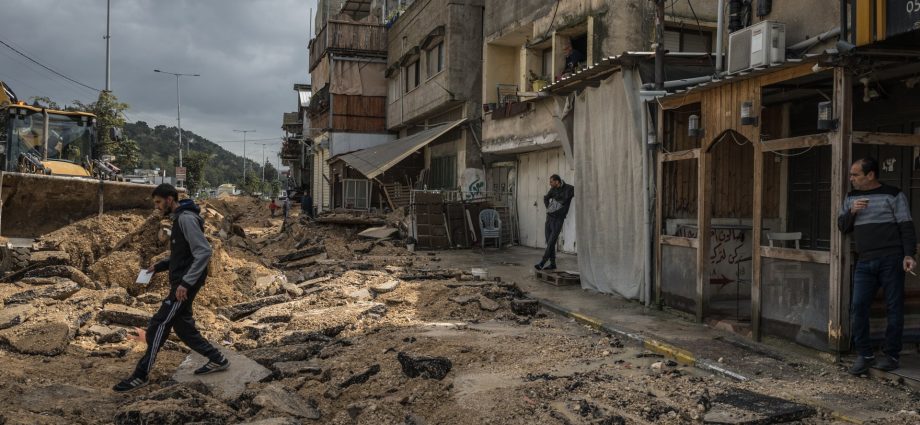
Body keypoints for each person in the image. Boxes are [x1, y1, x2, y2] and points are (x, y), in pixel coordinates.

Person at [113, 184, 229, 392]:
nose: (157, 207)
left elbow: (203, 251)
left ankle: (140, 375)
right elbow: (182, 255)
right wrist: (159, 266)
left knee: (159, 324)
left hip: (185, 284)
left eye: (158, 202)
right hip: (182, 281)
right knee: (183, 328)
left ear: (169, 199)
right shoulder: (180, 218)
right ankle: (217, 359)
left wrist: (185, 283)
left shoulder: (185, 219)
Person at [837, 157, 916, 375]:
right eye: (851, 174)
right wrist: (851, 212)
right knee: (858, 306)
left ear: (870, 175)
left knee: (894, 307)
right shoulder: (851, 197)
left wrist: (909, 254)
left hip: (892, 258)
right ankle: (865, 355)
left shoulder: (893, 194)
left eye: (855, 175)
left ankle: (891, 356)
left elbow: (906, 226)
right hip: (864, 260)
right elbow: (842, 227)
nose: (851, 179)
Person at [535, 174, 575, 271]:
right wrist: (549, 208)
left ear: (557, 181)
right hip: (549, 218)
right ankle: (552, 264)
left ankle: (542, 262)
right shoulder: (553, 189)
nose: (550, 183)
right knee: (550, 242)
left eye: (551, 181)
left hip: (558, 219)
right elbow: (546, 197)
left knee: (551, 242)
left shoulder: (570, 189)